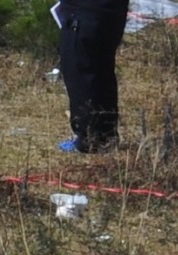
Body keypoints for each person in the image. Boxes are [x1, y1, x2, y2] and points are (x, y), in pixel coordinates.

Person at [57, 0, 129, 153]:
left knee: (80, 71)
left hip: (86, 12)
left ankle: (89, 139)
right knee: (102, 70)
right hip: (109, 12)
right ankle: (106, 135)